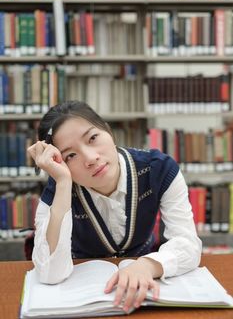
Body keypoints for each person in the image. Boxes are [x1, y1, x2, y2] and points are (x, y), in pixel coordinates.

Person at [27, 100, 202, 312]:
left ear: (108, 131)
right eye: (70, 155)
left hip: (145, 292)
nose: (91, 158)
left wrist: (148, 265)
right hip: (85, 298)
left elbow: (188, 244)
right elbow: (50, 273)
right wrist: (63, 183)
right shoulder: (59, 188)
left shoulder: (159, 169)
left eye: (93, 138)